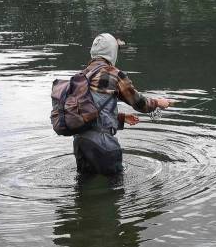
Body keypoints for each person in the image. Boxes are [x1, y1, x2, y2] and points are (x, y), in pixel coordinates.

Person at [72, 33, 172, 175]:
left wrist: (120, 118)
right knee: (116, 189)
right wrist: (158, 103)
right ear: (111, 52)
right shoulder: (113, 74)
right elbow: (140, 103)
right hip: (104, 145)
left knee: (83, 187)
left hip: (80, 143)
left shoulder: (81, 76)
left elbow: (87, 111)